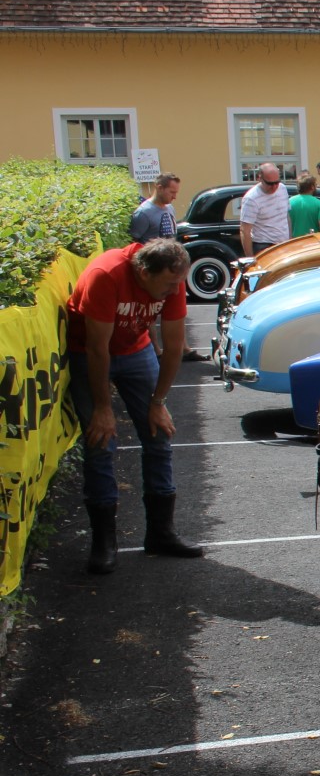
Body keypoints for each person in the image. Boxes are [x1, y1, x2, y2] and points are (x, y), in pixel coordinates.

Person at [65, 238, 203, 574]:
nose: (174, 291)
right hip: (90, 352)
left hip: (135, 349)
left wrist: (158, 402)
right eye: (169, 284)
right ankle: (104, 541)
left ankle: (161, 533)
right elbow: (98, 350)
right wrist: (102, 407)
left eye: (178, 284)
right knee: (101, 441)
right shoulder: (106, 274)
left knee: (159, 435)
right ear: (143, 272)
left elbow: (173, 348)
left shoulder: (173, 278)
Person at [238, 163, 289, 254]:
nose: (274, 187)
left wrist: (290, 238)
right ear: (260, 178)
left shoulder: (282, 189)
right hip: (263, 245)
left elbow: (286, 216)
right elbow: (245, 231)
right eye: (270, 183)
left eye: (276, 182)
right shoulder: (251, 198)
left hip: (283, 243)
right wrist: (250, 258)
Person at [130, 172, 180, 242]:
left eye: (176, 193)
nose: (175, 197)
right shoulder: (143, 213)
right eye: (172, 192)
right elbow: (133, 242)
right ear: (160, 188)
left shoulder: (170, 208)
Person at [287, 171, 320, 237]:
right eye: (315, 185)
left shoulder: (289, 202)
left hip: (294, 243)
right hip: (312, 243)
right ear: (312, 187)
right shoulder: (319, 204)